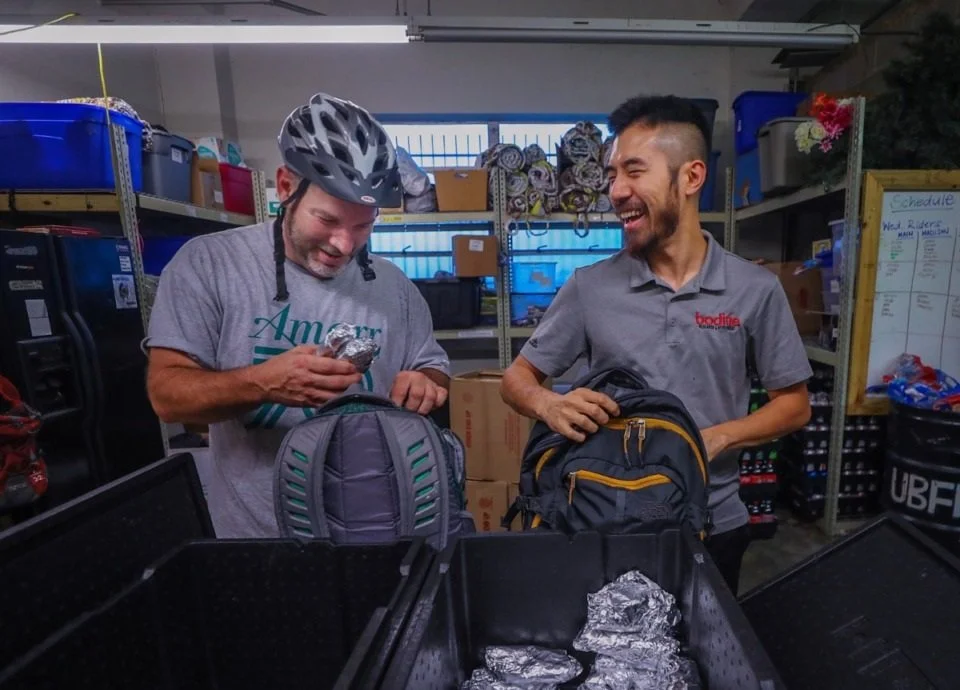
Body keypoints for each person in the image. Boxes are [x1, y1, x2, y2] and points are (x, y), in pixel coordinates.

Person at [500, 95, 812, 593]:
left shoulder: (753, 290)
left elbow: (794, 406)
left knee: (702, 658)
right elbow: (516, 379)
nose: (615, 190)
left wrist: (718, 437)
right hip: (604, 518)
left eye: (634, 171)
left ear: (690, 178)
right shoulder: (589, 287)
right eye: (611, 174)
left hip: (713, 521)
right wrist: (548, 404)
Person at [144, 93, 451, 538]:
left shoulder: (394, 286)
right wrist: (262, 382)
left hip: (379, 529)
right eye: (326, 220)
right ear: (286, 187)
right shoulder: (209, 264)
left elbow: (432, 368)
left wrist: (426, 384)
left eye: (363, 226)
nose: (344, 245)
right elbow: (167, 395)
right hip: (259, 540)